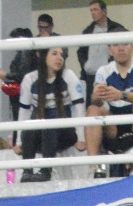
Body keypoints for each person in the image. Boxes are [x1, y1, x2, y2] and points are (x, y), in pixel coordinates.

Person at [86, 39, 133, 173]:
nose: (121, 48)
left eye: (125, 44)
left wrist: (121, 95)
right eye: (116, 45)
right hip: (115, 125)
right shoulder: (103, 70)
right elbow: (96, 102)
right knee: (93, 110)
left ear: (132, 47)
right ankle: (94, 168)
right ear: (110, 50)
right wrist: (97, 95)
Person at [15, 46, 85, 180]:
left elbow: (79, 108)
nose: (59, 58)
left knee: (49, 125)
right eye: (54, 54)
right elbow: (24, 111)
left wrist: (81, 138)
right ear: (42, 56)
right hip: (41, 135)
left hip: (65, 133)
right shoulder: (30, 79)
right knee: (30, 129)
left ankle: (45, 171)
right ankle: (27, 171)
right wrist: (19, 141)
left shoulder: (68, 76)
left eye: (61, 55)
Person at [78, 0, 127, 99]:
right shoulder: (88, 31)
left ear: (104, 11)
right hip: (91, 76)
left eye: (95, 9)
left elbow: (125, 47)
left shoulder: (116, 28)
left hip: (111, 75)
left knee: (113, 100)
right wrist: (86, 66)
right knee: (93, 103)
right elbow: (81, 52)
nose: (93, 13)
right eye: (91, 10)